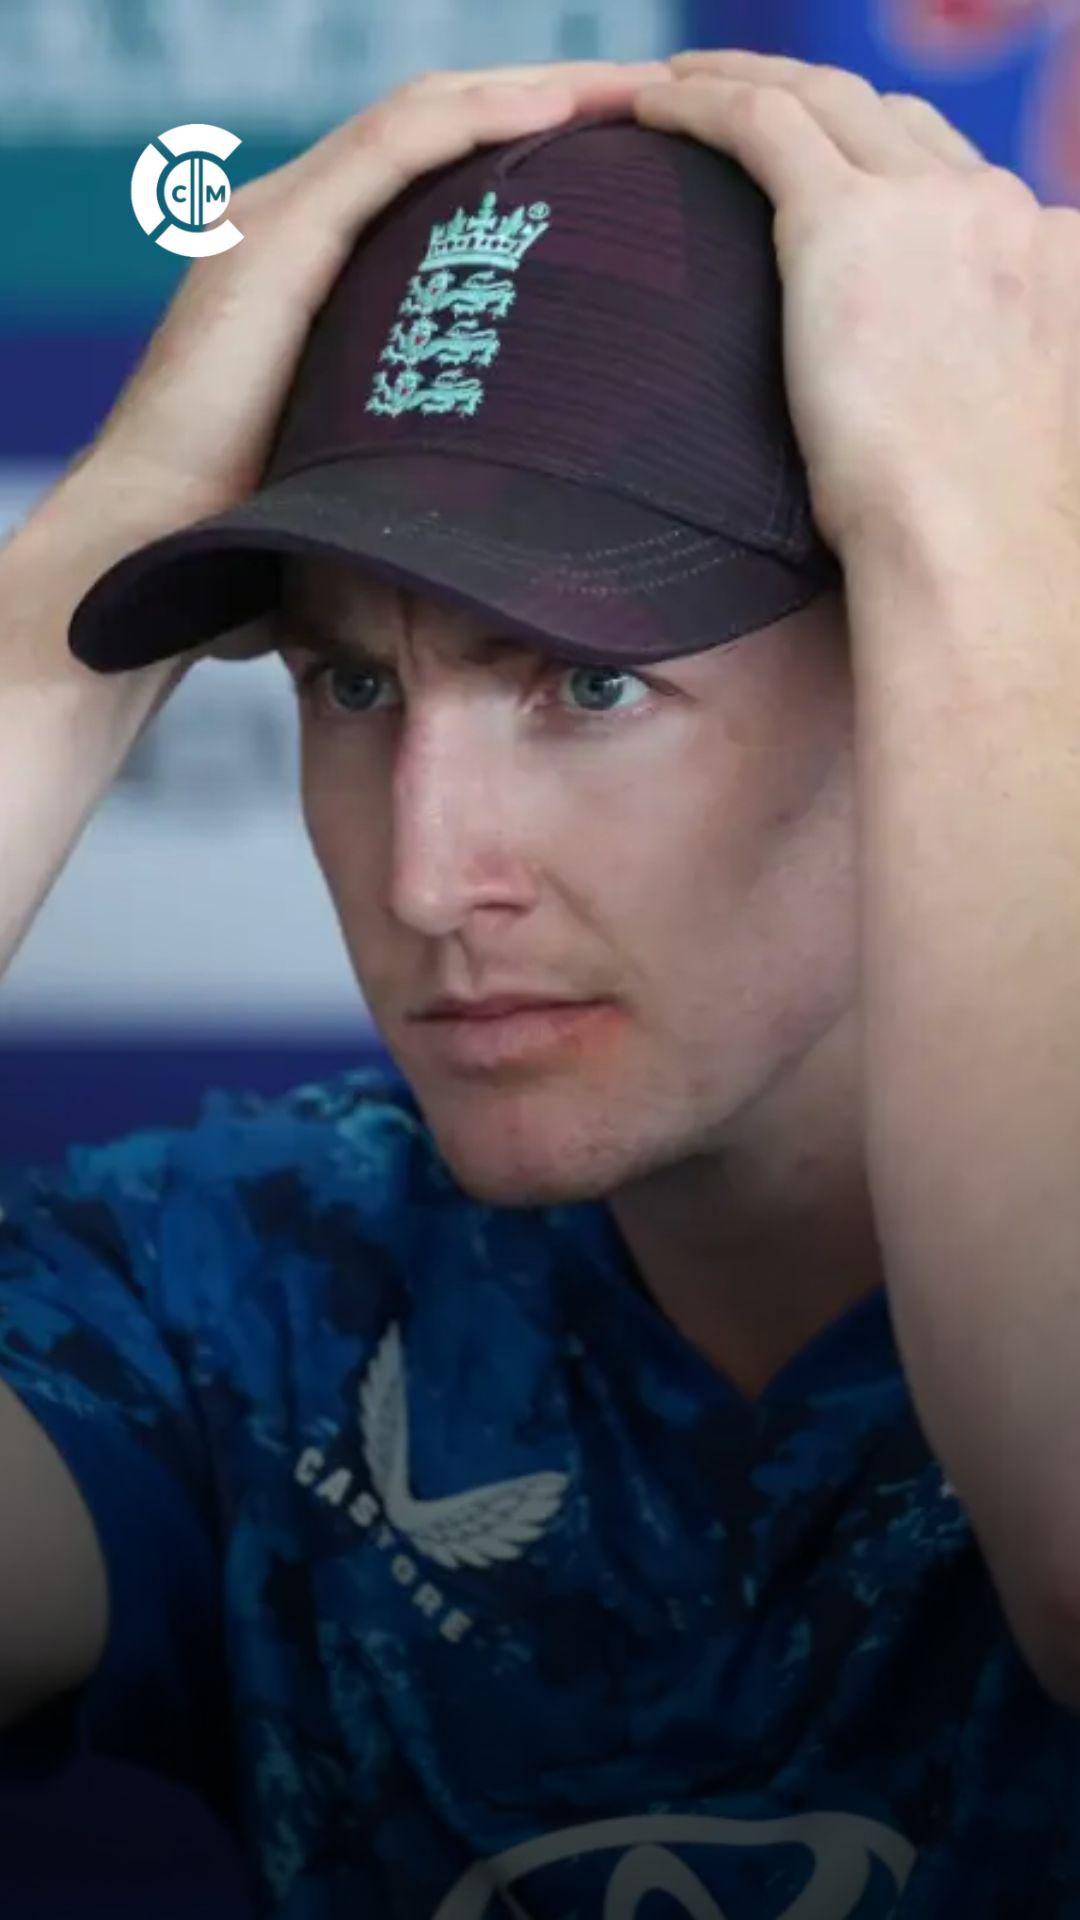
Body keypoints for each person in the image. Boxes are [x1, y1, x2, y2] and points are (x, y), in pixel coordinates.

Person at [2, 46, 1080, 1920]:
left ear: (920, 656)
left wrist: (974, 531)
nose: (428, 874)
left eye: (589, 681)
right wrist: (63, 615)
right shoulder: (251, 1285)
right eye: (353, 683)